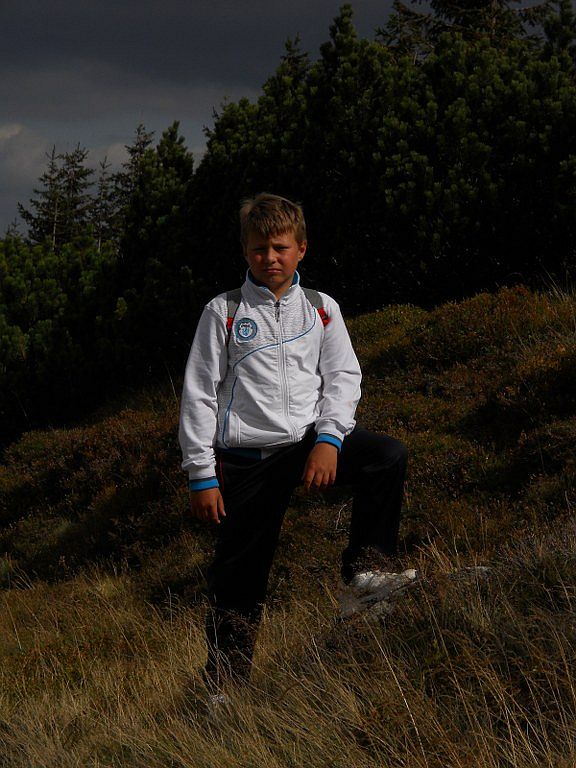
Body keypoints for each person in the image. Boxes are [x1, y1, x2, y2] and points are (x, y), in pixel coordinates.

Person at [178, 193, 411, 693]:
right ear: (245, 251)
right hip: (245, 460)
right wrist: (201, 474)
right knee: (240, 578)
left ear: (301, 248)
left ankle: (365, 576)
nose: (270, 258)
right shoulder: (223, 311)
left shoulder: (322, 309)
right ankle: (224, 688)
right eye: (259, 249)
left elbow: (343, 377)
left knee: (386, 457)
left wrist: (329, 439)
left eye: (281, 247)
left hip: (307, 444)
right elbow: (198, 395)